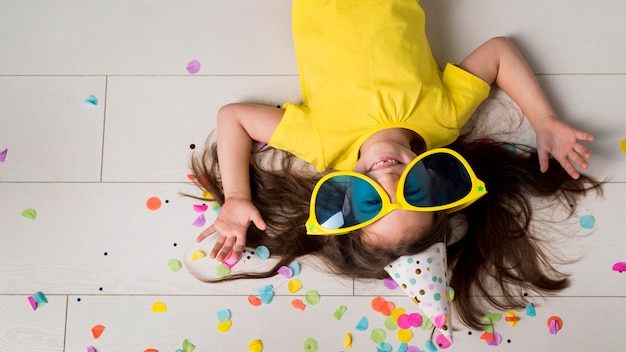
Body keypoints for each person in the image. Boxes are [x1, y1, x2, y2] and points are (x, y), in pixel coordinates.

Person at [189, 0, 602, 329]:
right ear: (436, 182)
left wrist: (238, 196)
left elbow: (233, 117)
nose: (388, 176)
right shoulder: (442, 119)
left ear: (346, 194)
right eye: (412, 192)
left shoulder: (322, 144)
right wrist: (543, 120)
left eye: (371, 201)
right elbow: (497, 52)